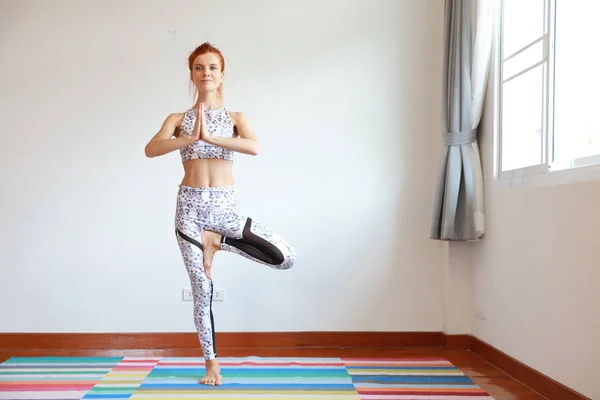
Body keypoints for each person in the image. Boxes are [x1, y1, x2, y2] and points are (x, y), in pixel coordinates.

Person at [144, 42, 297, 386]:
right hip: (190, 211)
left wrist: (211, 136)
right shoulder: (177, 119)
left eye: (212, 67)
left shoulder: (235, 118)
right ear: (192, 75)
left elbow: (254, 147)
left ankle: (218, 241)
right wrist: (188, 139)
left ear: (222, 74)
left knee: (285, 258)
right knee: (202, 289)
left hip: (225, 210)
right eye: (199, 68)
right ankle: (211, 364)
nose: (206, 73)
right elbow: (151, 149)